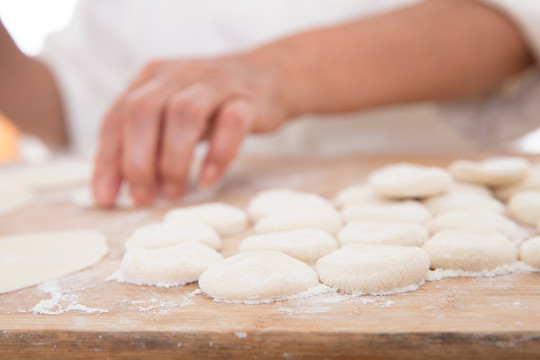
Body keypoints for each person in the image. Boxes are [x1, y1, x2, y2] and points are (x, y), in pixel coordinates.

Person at [0, 0, 539, 207]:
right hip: (185, 204)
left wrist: (278, 73)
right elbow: (72, 101)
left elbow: (516, 24)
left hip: (429, 202)